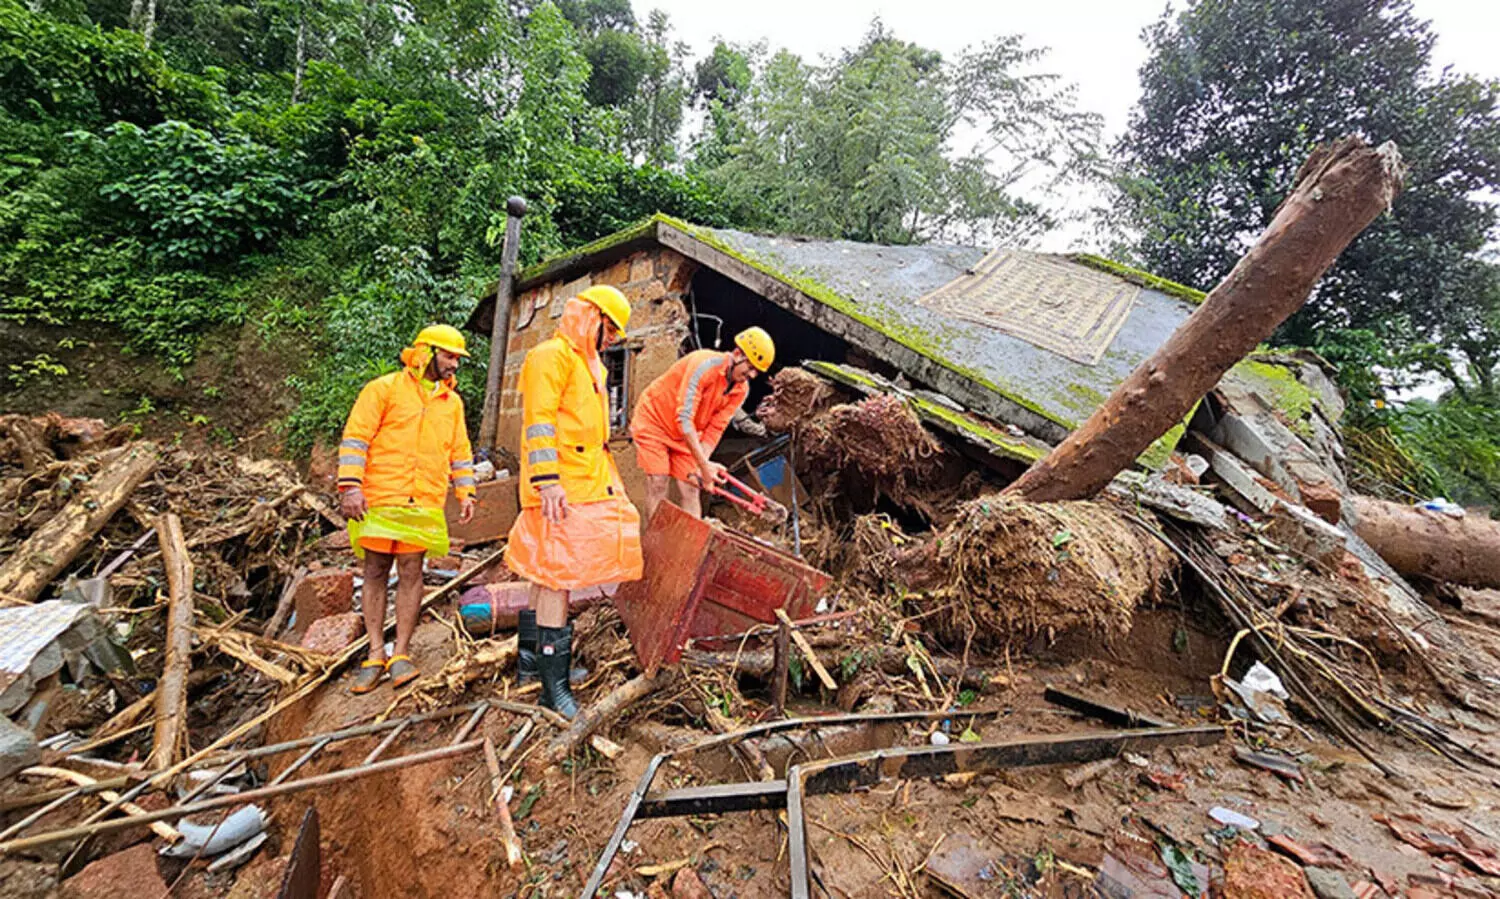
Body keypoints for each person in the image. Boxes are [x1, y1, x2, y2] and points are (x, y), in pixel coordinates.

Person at [505, 285, 643, 718]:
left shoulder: (589, 365)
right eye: (612, 329)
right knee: (556, 577)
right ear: (592, 318)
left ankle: (532, 664)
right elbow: (539, 424)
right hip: (558, 487)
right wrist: (547, 482)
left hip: (580, 483)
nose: (615, 339)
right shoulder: (551, 356)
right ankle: (554, 687)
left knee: (545, 571)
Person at [338, 325, 476, 695]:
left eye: (457, 360)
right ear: (426, 353)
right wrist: (350, 486)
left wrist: (466, 492)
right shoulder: (382, 390)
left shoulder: (453, 403)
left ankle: (401, 653)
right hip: (381, 497)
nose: (454, 366)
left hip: (424, 500)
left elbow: (460, 452)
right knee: (375, 568)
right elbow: (356, 439)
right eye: (449, 357)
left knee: (413, 569)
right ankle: (374, 653)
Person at [630, 327, 775, 525]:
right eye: (750, 367)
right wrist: (704, 465)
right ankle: (655, 545)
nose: (752, 375)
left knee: (691, 487)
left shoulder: (741, 390)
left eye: (756, 372)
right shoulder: (703, 365)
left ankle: (691, 547)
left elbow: (716, 428)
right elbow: (684, 418)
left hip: (685, 435)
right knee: (658, 481)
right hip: (655, 422)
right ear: (738, 354)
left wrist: (702, 464)